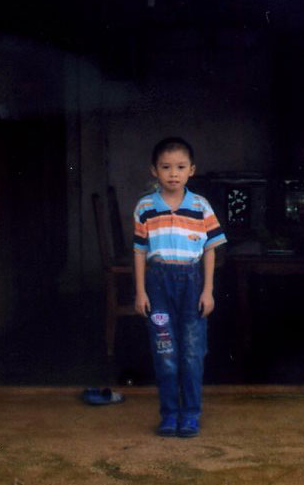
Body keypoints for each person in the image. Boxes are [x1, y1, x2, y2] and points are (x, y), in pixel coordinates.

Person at [132, 137, 227, 438]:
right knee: (165, 352)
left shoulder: (200, 206)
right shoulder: (145, 207)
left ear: (191, 170)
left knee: (192, 352)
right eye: (166, 167)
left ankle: (190, 414)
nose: (173, 173)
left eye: (180, 167)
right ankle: (170, 413)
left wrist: (208, 290)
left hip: (192, 284)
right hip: (158, 286)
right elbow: (139, 252)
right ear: (154, 170)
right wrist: (140, 291)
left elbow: (210, 249)